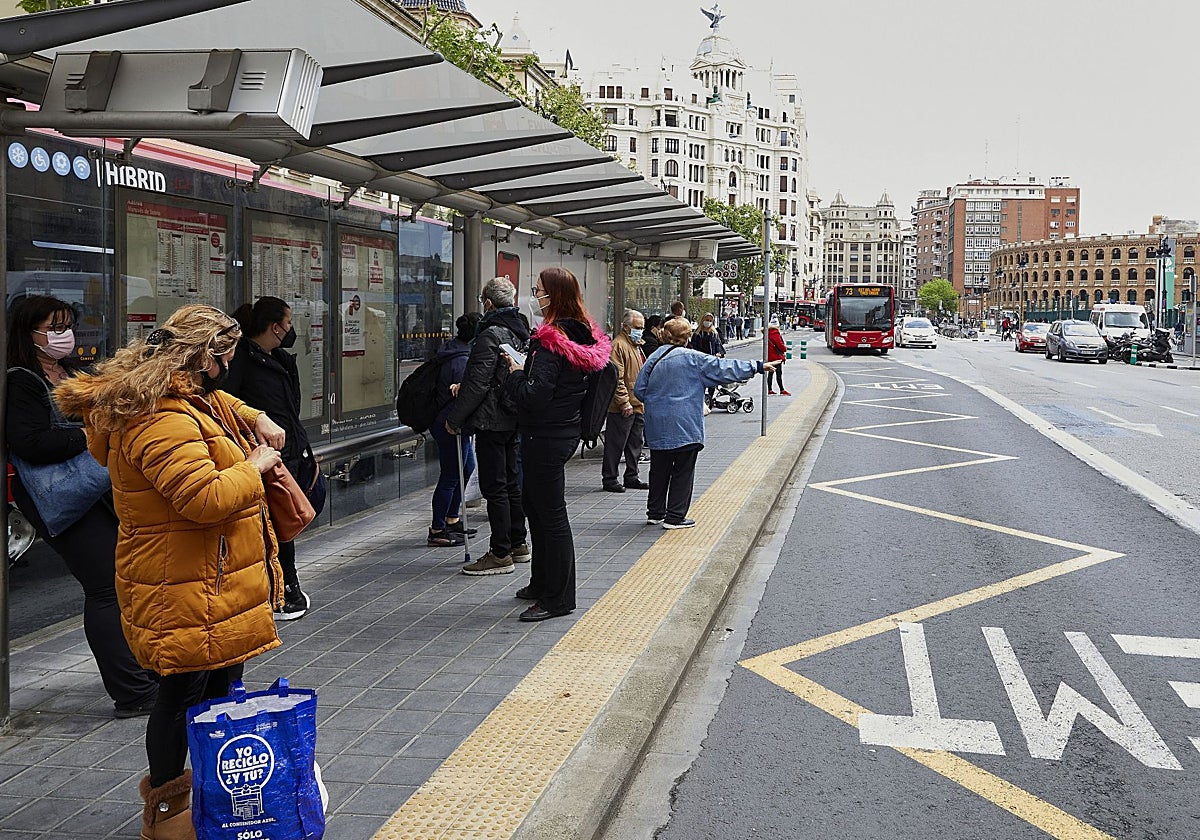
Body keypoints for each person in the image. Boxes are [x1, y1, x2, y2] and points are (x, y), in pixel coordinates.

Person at [56, 304, 287, 840]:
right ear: (204, 358)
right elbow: (204, 498)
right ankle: (165, 811)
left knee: (218, 687)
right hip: (181, 581)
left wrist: (255, 416)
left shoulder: (175, 394)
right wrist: (254, 467)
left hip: (203, 576)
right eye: (226, 355)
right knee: (182, 694)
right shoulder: (160, 418)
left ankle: (213, 800)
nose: (230, 366)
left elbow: (214, 403)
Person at [5, 295, 159, 719]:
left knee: (126, 580)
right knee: (105, 585)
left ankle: (145, 672)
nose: (65, 334)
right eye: (54, 327)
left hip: (96, 491)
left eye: (67, 325)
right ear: (29, 333)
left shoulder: (72, 370)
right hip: (59, 499)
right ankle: (132, 691)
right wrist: (92, 435)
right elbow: (30, 442)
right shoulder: (20, 380)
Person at [503, 267, 611, 621]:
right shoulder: (582, 334)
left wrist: (516, 374)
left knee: (550, 516)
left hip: (545, 435)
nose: (535, 297)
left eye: (538, 291)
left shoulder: (551, 342)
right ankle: (541, 582)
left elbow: (535, 395)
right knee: (536, 508)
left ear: (554, 296)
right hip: (562, 432)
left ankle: (558, 598)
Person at [634, 318, 778, 530]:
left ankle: (655, 513)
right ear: (687, 338)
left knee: (658, 470)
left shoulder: (654, 357)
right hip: (684, 424)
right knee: (683, 470)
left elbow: (639, 390)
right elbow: (723, 368)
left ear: (664, 335)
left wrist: (659, 400)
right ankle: (675, 517)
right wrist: (756, 366)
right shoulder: (692, 358)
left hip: (657, 425)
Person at [226, 296, 317, 620]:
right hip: (261, 455)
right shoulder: (242, 361)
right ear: (276, 327)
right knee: (276, 526)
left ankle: (282, 588)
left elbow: (289, 410)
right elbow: (229, 404)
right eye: (289, 323)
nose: (292, 329)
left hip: (287, 451)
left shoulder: (279, 359)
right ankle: (283, 592)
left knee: (284, 522)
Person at [446, 277, 531, 576]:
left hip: (492, 420)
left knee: (494, 487)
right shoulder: (522, 330)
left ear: (488, 303)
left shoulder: (490, 334)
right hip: (514, 415)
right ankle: (519, 543)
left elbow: (478, 383)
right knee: (511, 482)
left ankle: (500, 553)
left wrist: (455, 419)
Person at [427, 312, 481, 546]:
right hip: (450, 425)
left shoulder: (456, 351)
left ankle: (452, 518)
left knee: (466, 468)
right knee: (451, 475)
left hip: (454, 424)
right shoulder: (461, 361)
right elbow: (463, 397)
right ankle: (437, 529)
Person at [602, 309, 647, 493]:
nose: (640, 331)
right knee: (616, 444)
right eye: (637, 327)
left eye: (642, 328)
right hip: (623, 405)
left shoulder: (636, 345)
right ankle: (610, 478)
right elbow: (617, 378)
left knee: (635, 443)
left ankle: (632, 476)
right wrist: (624, 402)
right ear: (626, 327)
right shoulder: (618, 346)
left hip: (637, 403)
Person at [766, 321, 790, 395]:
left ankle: (770, 389)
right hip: (776, 356)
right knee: (778, 373)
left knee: (770, 373)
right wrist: (784, 349)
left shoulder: (767, 333)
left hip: (769, 355)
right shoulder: (775, 333)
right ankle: (782, 389)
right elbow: (779, 344)